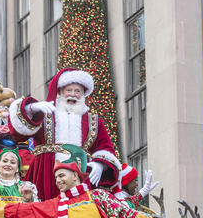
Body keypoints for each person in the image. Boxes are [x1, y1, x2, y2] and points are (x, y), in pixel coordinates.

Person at [0, 145, 162, 218]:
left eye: (62, 175)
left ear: (75, 176)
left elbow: (122, 213)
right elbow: (29, 211)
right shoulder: (57, 204)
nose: (58, 181)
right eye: (56, 177)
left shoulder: (96, 196)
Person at [7, 68, 121, 200]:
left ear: (84, 94)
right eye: (69, 90)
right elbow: (18, 134)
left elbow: (105, 147)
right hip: (44, 172)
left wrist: (100, 164)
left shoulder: (93, 120)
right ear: (60, 92)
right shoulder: (44, 113)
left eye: (78, 91)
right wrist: (32, 108)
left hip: (80, 174)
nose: (73, 94)